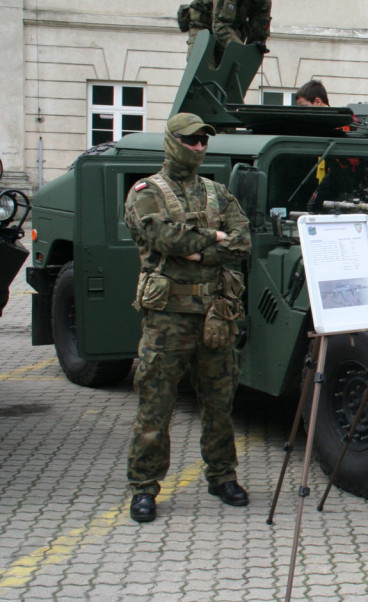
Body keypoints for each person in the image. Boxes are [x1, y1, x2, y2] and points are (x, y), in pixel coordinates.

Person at [123, 113, 252, 523]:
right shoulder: (146, 192)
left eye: (203, 140)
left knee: (220, 403)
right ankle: (144, 487)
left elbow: (243, 241)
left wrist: (198, 249)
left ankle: (222, 476)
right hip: (167, 320)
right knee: (155, 406)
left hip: (215, 315)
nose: (198, 146)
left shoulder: (218, 193)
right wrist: (213, 238)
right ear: (173, 141)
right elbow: (161, 236)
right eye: (191, 140)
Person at [186, 0, 281, 62]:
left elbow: (258, 34)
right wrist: (241, 50)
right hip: (203, 26)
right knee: (201, 65)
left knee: (230, 69)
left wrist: (255, 48)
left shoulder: (264, 0)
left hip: (230, 31)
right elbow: (220, 26)